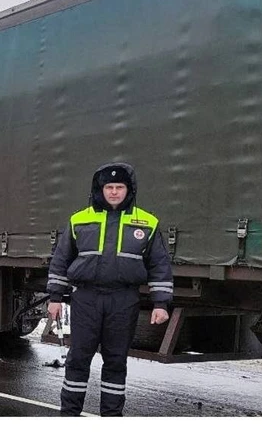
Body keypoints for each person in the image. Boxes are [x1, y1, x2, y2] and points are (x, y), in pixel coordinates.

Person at [47, 163, 173, 416]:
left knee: (116, 362)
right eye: (109, 187)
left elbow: (159, 265)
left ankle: (112, 417)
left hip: (123, 300)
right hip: (86, 298)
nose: (114, 192)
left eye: (120, 187)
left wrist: (161, 303)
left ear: (129, 190)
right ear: (100, 189)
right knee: (78, 359)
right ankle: (68, 416)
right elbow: (61, 259)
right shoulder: (79, 220)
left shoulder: (147, 223)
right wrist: (55, 297)